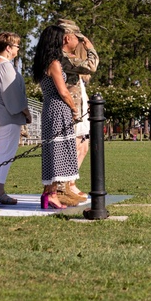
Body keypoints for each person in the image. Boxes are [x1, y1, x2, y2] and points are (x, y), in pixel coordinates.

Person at [31, 24, 81, 210]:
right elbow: (63, 91)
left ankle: (48, 193)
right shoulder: (53, 63)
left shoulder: (44, 62)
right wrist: (74, 108)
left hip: (49, 108)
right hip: (58, 109)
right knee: (58, 151)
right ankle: (51, 194)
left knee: (53, 151)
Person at [0, 32, 32, 205]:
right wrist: (25, 111)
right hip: (6, 117)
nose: (18, 49)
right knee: (5, 153)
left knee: (4, 152)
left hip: (2, 116)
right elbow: (12, 94)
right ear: (8, 47)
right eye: (17, 46)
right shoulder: (4, 66)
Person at [58, 19, 98, 200]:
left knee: (82, 146)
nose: (80, 41)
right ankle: (65, 185)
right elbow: (92, 66)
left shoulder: (70, 58)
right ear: (67, 38)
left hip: (80, 107)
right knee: (73, 146)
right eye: (77, 38)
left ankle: (70, 183)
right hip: (70, 109)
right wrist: (90, 47)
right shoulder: (62, 58)